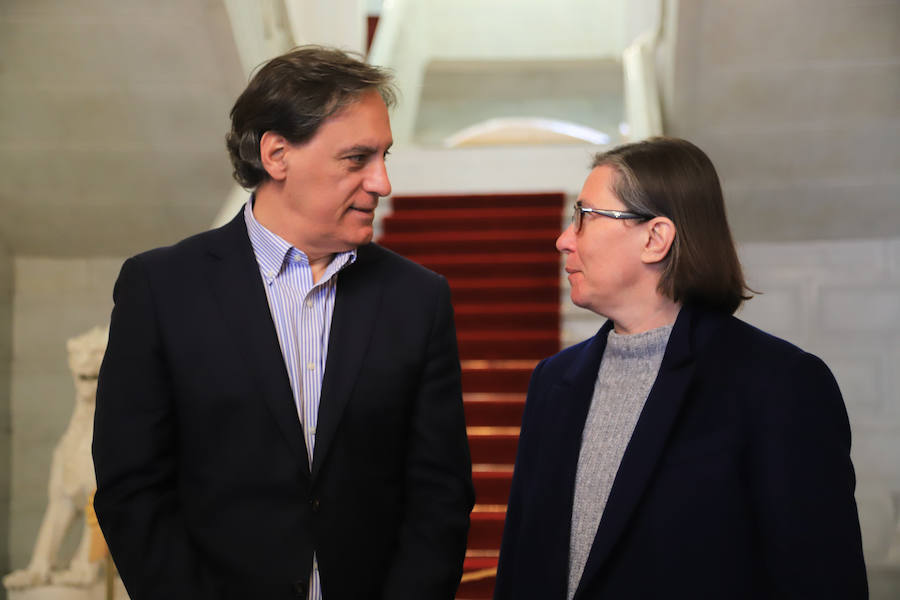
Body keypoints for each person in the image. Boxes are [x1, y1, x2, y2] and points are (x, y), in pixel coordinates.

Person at [92, 46, 474, 600]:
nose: (383, 183)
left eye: (384, 157)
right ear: (276, 155)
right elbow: (132, 488)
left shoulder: (418, 298)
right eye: (357, 159)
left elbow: (440, 494)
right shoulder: (160, 288)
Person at [494, 137, 867, 599]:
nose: (564, 239)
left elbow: (821, 580)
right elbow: (520, 567)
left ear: (655, 238)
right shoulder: (553, 381)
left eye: (585, 216)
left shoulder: (779, 384)